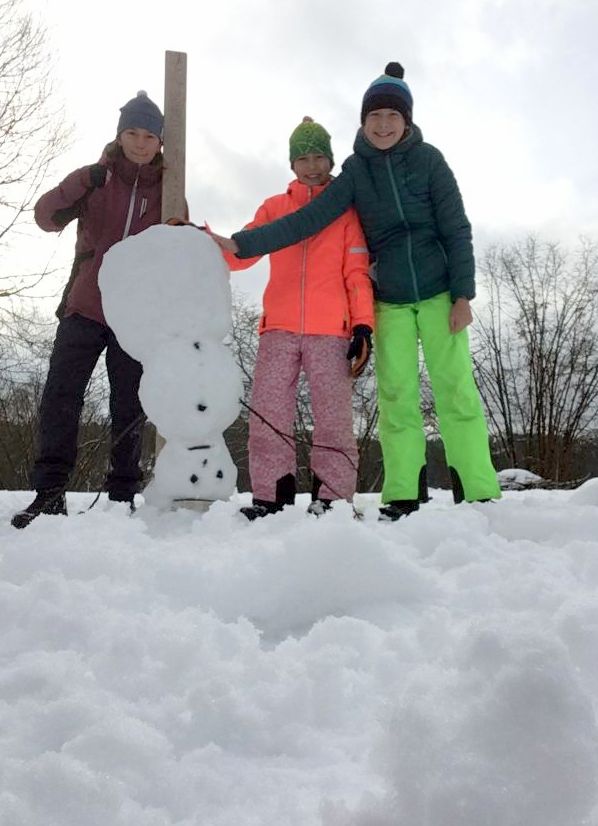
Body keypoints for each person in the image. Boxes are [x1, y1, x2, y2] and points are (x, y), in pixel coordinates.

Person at [212, 64, 501, 521]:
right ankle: (403, 492)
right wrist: (240, 244)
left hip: (439, 293)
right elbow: (305, 220)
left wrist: (463, 293)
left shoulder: (429, 161)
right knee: (396, 394)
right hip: (389, 299)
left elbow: (456, 227)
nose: (383, 125)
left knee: (455, 390)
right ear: (363, 122)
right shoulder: (354, 171)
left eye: (392, 116)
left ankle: (477, 488)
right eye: (374, 117)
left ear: (406, 120)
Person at [11, 91, 165, 529]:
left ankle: (122, 496)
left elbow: (179, 247)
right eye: (132, 133)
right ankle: (50, 492)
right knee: (61, 395)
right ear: (119, 136)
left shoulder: (168, 189)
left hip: (134, 314)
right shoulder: (96, 178)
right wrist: (83, 182)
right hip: (85, 304)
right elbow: (46, 217)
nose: (140, 143)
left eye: (149, 135)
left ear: (160, 142)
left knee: (129, 403)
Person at [223, 117, 375, 520]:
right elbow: (240, 254)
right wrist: (200, 240)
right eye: (303, 158)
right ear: (292, 164)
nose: (311, 166)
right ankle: (271, 495)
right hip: (279, 328)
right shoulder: (274, 207)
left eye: (319, 157)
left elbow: (357, 274)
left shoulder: (345, 213)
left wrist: (363, 325)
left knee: (333, 419)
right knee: (268, 413)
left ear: (331, 161)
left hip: (331, 331)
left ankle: (333, 499)